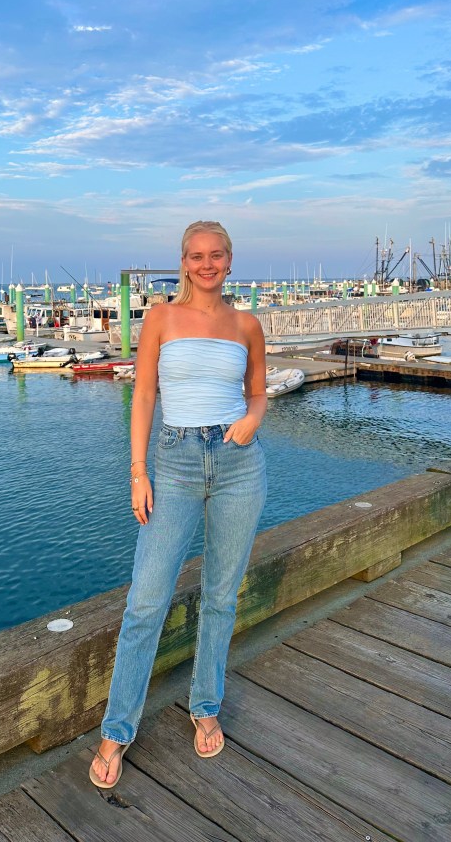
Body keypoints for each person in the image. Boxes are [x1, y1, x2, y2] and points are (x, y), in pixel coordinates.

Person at [89, 220, 267, 788]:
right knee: (146, 600)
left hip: (239, 463)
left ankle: (205, 705)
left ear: (230, 261)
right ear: (183, 262)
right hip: (175, 461)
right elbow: (144, 393)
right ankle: (117, 729)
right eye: (196, 255)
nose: (206, 264)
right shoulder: (160, 318)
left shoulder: (247, 325)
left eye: (216, 255)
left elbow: (258, 393)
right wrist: (138, 472)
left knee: (220, 595)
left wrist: (252, 419)